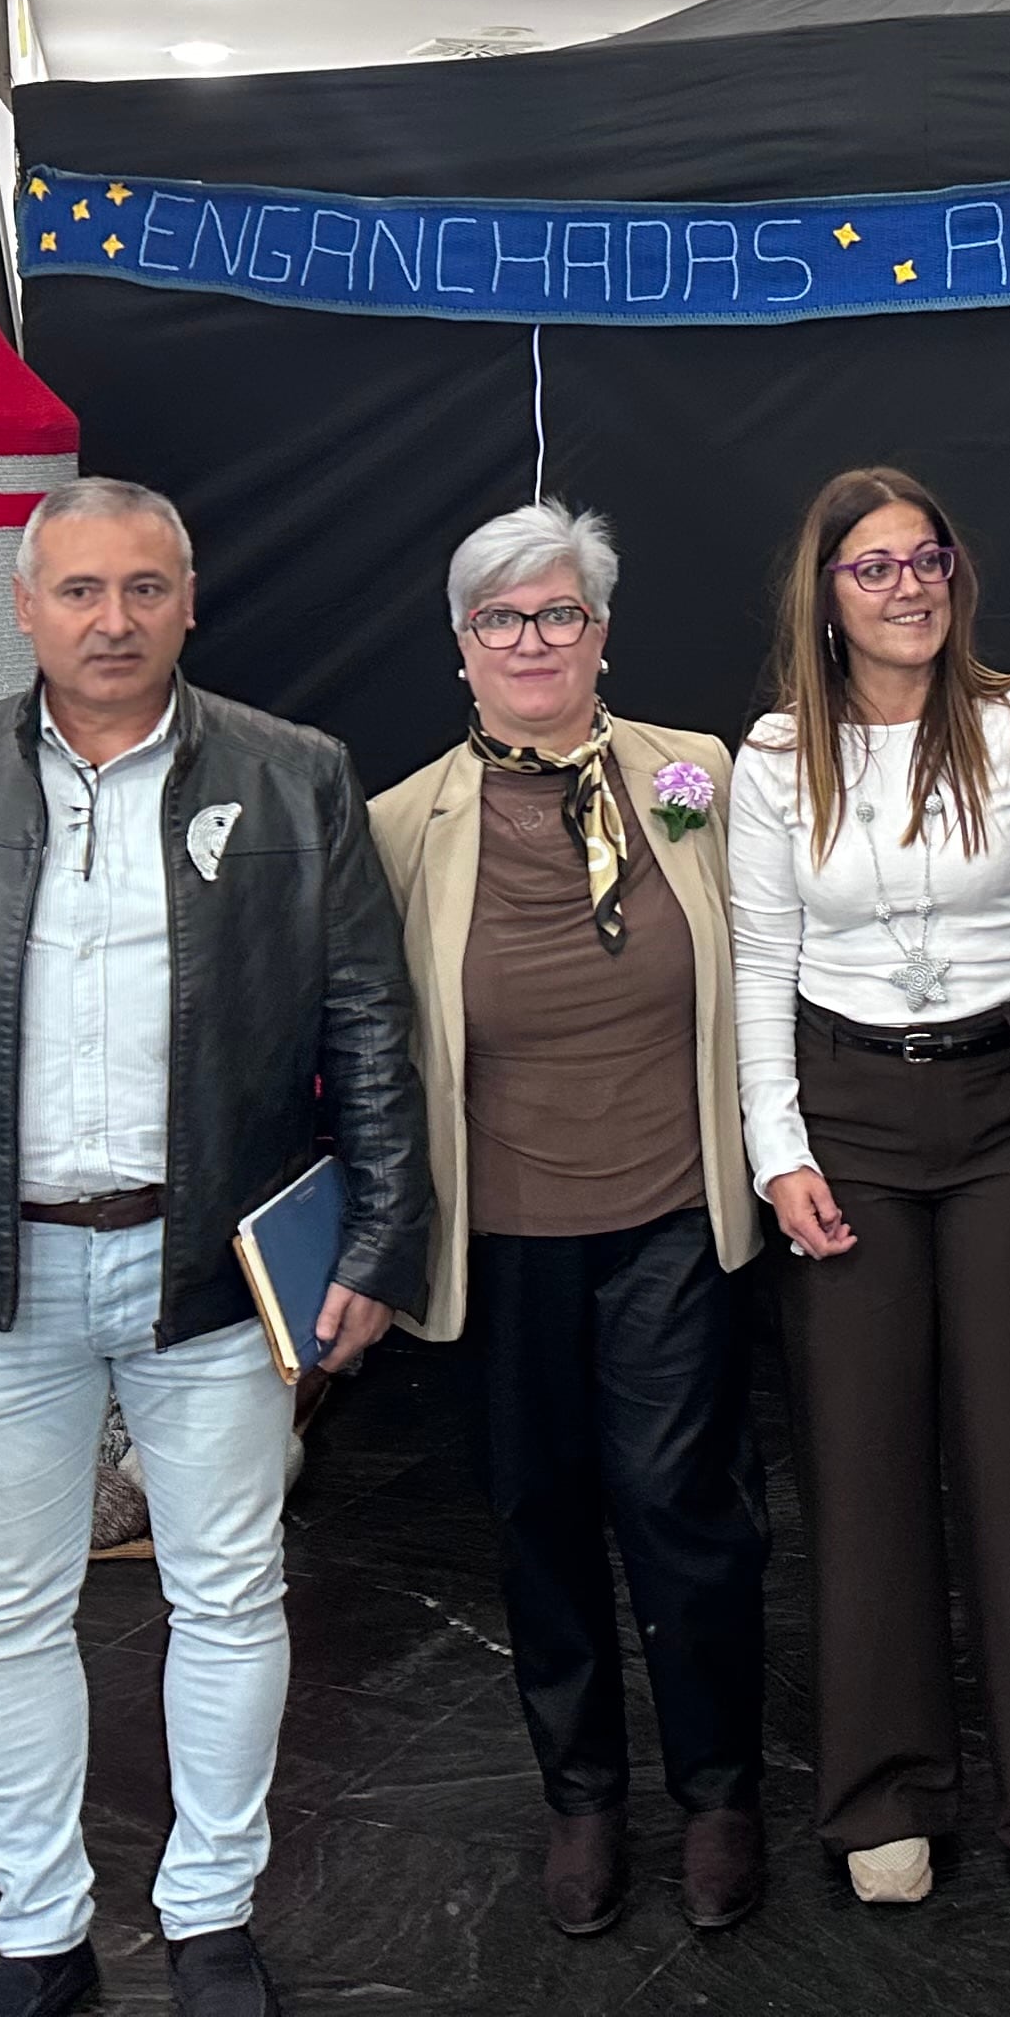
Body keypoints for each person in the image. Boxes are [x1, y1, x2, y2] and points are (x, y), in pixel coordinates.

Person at [0, 475, 429, 2017]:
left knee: (232, 1591)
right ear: (21, 608)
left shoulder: (297, 778)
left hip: (211, 1274)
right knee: (3, 1607)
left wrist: (378, 1240)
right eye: (79, 590)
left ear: (190, 602)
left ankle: (210, 1918)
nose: (112, 619)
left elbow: (370, 1028)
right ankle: (39, 1934)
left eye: (144, 588)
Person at [369, 499, 770, 1941]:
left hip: (673, 1206)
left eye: (557, 614)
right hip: (502, 1234)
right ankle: (585, 1796)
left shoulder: (698, 776)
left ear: (601, 634)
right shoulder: (402, 824)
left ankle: (720, 1792)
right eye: (500, 618)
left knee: (686, 1516)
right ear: (461, 647)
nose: (530, 640)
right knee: (539, 1519)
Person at [729, 464, 1010, 1907]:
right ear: (824, 599)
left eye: (926, 559)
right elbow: (761, 964)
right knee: (861, 1458)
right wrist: (780, 1149)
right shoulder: (771, 760)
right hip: (849, 1119)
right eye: (873, 568)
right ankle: (883, 1790)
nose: (908, 587)